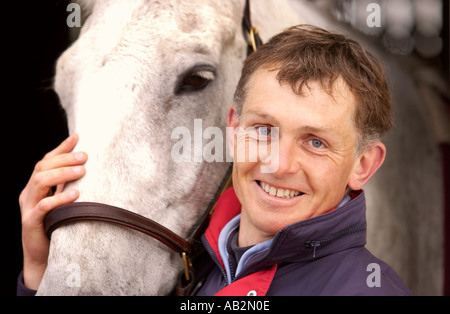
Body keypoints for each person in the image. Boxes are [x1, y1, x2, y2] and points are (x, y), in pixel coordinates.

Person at [18, 25, 412, 296]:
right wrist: (38, 275)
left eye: (315, 142)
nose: (278, 163)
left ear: (363, 164)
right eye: (263, 130)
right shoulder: (198, 267)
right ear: (233, 127)